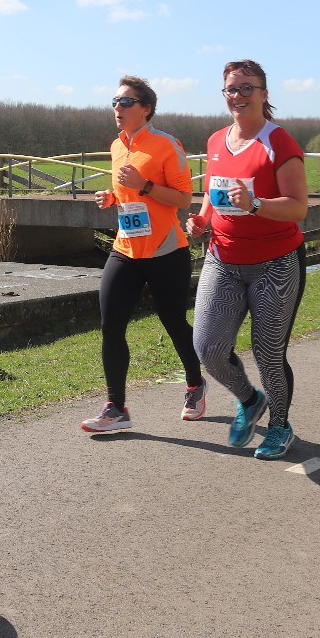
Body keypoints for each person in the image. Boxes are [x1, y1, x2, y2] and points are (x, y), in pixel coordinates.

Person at [185, 60, 309, 460]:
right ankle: (250, 399)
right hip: (222, 258)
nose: (237, 96)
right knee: (208, 348)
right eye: (231, 89)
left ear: (263, 93)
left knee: (268, 352)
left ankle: (280, 426)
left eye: (246, 88)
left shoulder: (280, 143)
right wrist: (202, 219)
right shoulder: (216, 141)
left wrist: (256, 204)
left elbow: (298, 207)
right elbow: (213, 191)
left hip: (275, 263)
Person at [80, 77, 206, 432]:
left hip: (165, 249)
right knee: (110, 325)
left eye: (125, 102)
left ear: (146, 108)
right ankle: (116, 408)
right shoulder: (116, 145)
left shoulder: (166, 144)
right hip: (126, 248)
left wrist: (145, 185)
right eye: (114, 101)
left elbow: (183, 199)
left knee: (173, 321)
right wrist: (112, 197)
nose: (117, 108)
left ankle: (195, 384)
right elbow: (128, 194)